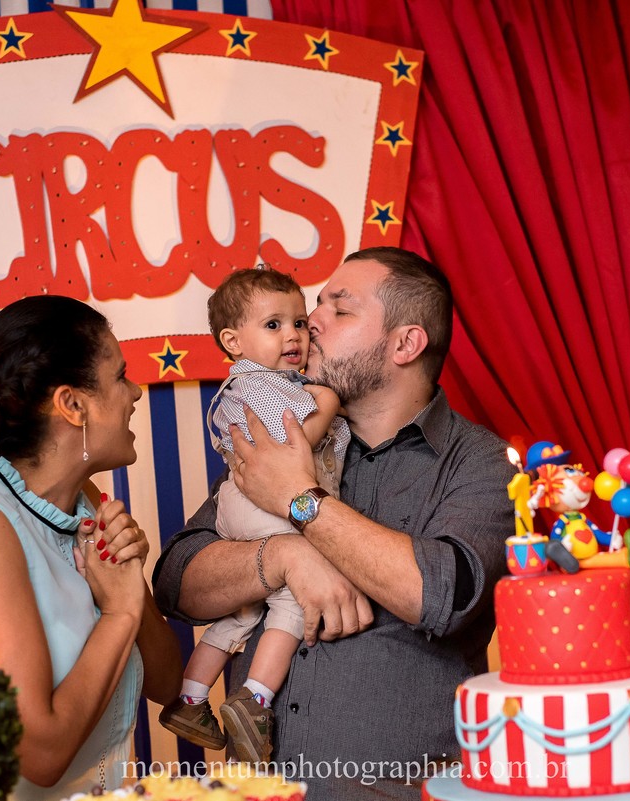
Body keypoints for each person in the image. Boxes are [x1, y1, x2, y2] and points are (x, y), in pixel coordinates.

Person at [153, 247, 515, 798]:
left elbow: (444, 593)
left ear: (404, 343)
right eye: (314, 307)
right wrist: (284, 557)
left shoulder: (478, 462)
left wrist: (301, 498)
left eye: (338, 310)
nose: (311, 322)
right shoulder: (284, 433)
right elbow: (178, 582)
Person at [0, 296, 183, 801]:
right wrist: (118, 612)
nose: (136, 392)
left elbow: (166, 684)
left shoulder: (86, 504)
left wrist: (129, 578)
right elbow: (41, 754)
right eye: (120, 377)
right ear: (72, 405)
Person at [158, 267, 350, 763]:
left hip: (240, 506)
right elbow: (294, 450)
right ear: (232, 341)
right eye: (273, 325)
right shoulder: (257, 384)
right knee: (292, 596)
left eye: (300, 323)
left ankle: (193, 697)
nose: (293, 335)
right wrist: (327, 403)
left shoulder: (272, 382)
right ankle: (256, 699)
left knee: (241, 608)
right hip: (260, 503)